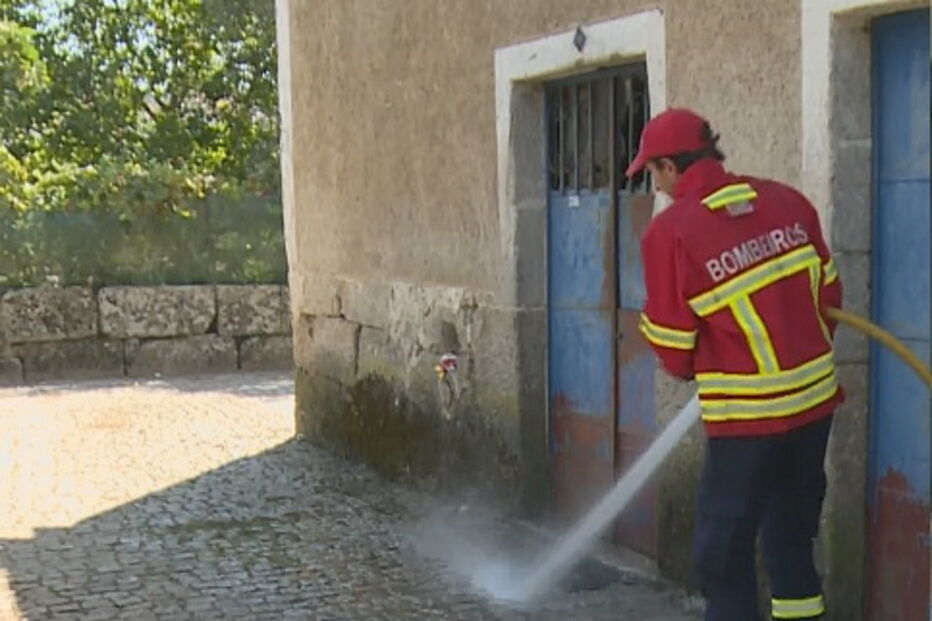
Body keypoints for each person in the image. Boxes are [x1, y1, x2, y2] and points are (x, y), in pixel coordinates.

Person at [627, 108, 844, 621]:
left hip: (748, 423)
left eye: (652, 173)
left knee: (722, 558)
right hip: (815, 406)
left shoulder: (671, 232)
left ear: (669, 167)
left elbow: (676, 351)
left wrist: (714, 361)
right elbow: (830, 297)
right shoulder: (786, 200)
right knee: (791, 542)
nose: (654, 184)